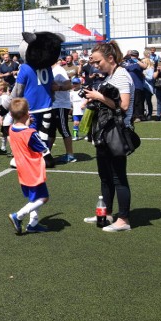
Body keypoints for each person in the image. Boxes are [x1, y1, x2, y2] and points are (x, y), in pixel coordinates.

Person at [83, 41, 134, 232]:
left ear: (110, 58)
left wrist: (99, 97)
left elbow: (124, 105)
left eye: (98, 62)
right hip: (105, 131)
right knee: (105, 176)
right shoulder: (111, 75)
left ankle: (124, 220)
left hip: (117, 132)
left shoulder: (121, 75)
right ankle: (107, 213)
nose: (96, 66)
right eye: (94, 63)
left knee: (118, 177)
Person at [7, 97, 51, 235]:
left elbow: (22, 133)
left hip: (22, 169)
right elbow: (44, 148)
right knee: (44, 198)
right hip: (33, 169)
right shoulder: (31, 133)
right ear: (27, 113)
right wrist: (32, 127)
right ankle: (19, 215)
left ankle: (33, 223)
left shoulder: (11, 129)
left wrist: (28, 124)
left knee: (34, 197)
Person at [50, 58, 76, 163]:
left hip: (60, 104)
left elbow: (69, 85)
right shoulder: (48, 70)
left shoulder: (59, 70)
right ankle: (47, 153)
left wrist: (59, 88)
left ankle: (70, 155)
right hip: (52, 105)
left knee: (63, 129)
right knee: (50, 130)